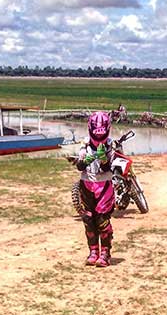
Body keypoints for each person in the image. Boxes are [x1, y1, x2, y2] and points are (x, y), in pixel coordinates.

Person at [72, 111, 117, 267]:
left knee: (102, 220)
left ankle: (105, 253)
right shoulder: (84, 145)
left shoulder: (111, 145)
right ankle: (93, 251)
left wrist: (104, 159)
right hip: (87, 184)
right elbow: (79, 166)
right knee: (88, 219)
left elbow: (111, 167)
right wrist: (85, 161)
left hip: (104, 185)